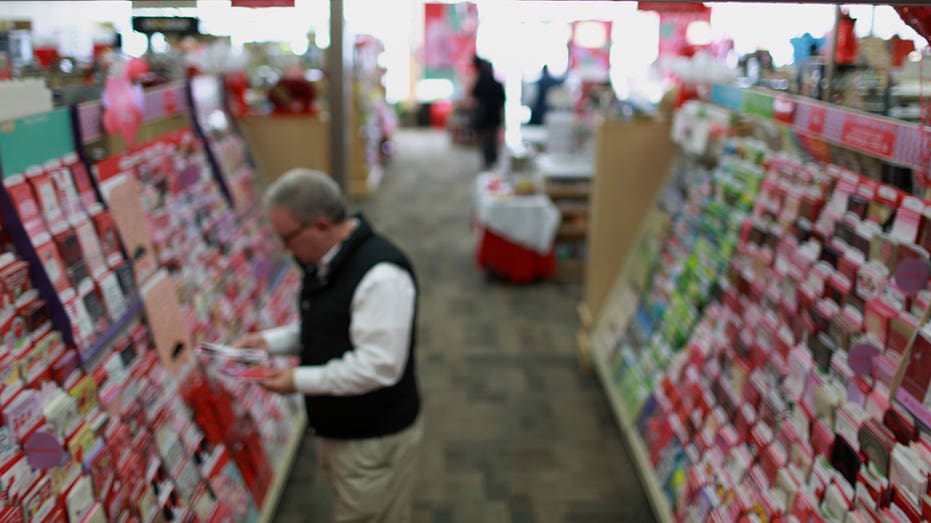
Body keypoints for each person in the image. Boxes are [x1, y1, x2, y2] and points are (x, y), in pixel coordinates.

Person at [235, 168, 422, 523]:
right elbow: (329, 325)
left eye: (287, 238)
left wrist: (296, 380)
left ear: (321, 226)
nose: (284, 248)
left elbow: (378, 365)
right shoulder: (328, 262)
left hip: (372, 437)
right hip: (344, 430)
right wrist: (269, 343)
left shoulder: (381, 277)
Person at [470, 55, 505, 170]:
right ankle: (492, 161)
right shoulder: (497, 84)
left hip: (484, 117)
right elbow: (502, 101)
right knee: (492, 141)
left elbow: (474, 95)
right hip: (493, 116)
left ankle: (488, 161)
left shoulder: (481, 82)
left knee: (485, 141)